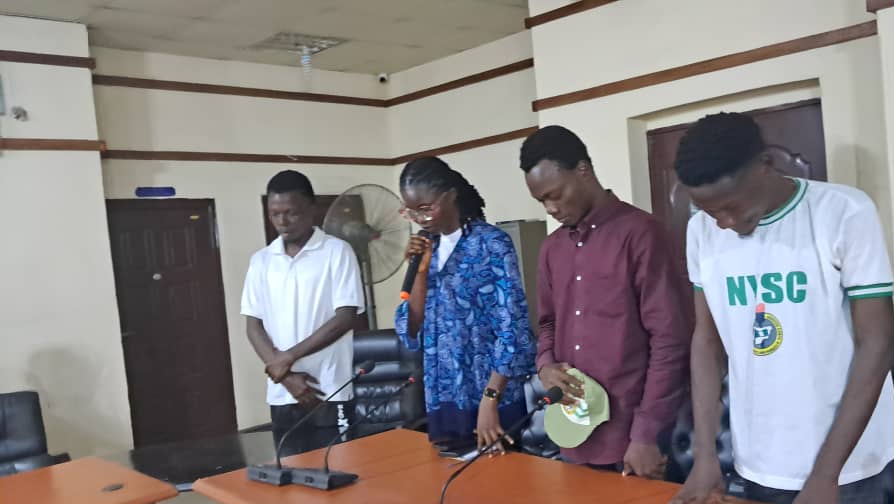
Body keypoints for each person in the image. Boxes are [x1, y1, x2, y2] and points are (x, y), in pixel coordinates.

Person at [658, 112, 894, 504]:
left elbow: (878, 342)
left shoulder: (844, 212)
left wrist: (825, 475)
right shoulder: (701, 232)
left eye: (732, 206)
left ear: (765, 165)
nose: (724, 223)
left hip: (846, 464)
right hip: (759, 458)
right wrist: (705, 454)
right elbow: (707, 343)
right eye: (711, 211)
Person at [519, 125, 690, 477]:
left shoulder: (642, 234)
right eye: (541, 202)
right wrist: (545, 365)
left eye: (555, 195)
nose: (551, 208)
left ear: (583, 171)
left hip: (634, 438)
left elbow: (669, 338)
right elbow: (548, 322)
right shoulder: (552, 249)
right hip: (573, 431)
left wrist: (646, 434)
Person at [395, 156, 535, 453]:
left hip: (492, 400)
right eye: (411, 211)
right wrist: (420, 273)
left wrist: (490, 399)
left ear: (450, 195)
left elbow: (513, 328)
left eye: (426, 208)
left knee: (502, 478)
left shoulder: (491, 243)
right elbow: (411, 329)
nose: (420, 218)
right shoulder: (426, 248)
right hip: (444, 399)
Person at [241, 170, 364, 456]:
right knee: (290, 470)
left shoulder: (337, 252)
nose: (282, 222)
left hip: (329, 388)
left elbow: (345, 317)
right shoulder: (261, 261)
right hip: (282, 391)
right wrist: (285, 375)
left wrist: (287, 357)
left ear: (312, 209)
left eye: (291, 213)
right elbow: (253, 325)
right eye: (274, 214)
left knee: (339, 468)